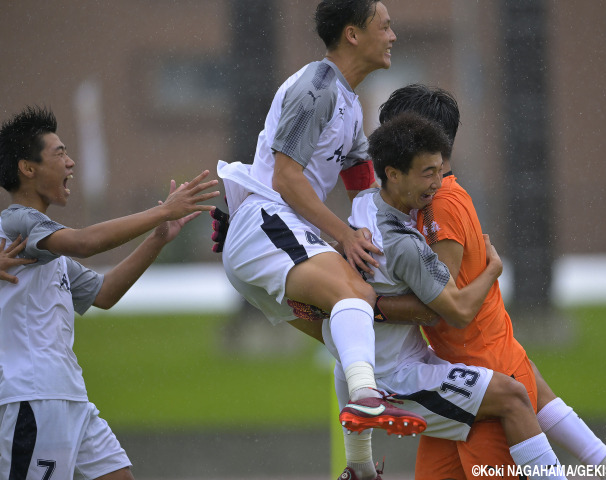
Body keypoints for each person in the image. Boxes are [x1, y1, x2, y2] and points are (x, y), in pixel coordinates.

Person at [376, 84, 606, 480]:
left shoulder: (440, 205)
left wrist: (367, 304)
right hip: (463, 373)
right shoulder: (436, 197)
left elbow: (444, 304)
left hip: (481, 380)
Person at [217, 0, 428, 457]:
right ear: (353, 34)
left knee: (350, 331)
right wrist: (345, 236)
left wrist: (385, 229)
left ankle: (361, 466)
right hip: (268, 222)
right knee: (353, 297)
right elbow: (285, 177)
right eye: (385, 27)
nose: (393, 37)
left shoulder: (349, 102)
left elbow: (360, 184)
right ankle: (371, 399)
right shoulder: (317, 87)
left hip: (271, 230)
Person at [328, 112, 573, 480]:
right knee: (512, 396)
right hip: (396, 380)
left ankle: (602, 458)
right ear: (393, 173)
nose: (438, 184)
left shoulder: (365, 202)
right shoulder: (404, 244)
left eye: (440, 171)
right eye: (428, 173)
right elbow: (454, 311)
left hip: (373, 366)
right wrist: (492, 269)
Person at [0, 105, 218, 480]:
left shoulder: (48, 251)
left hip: (70, 399)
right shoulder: (18, 221)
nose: (71, 163)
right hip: (33, 399)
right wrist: (161, 212)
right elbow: (85, 242)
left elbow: (103, 293)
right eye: (60, 153)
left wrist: (158, 239)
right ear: (27, 168)